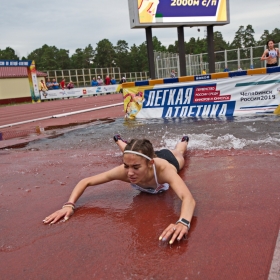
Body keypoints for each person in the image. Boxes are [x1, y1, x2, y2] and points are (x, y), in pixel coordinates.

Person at [43, 135, 196, 245]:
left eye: (135, 168)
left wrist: (183, 222)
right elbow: (86, 181)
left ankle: (183, 140)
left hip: (169, 159)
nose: (129, 173)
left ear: (150, 163)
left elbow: (188, 198)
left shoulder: (165, 170)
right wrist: (69, 204)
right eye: (126, 166)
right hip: (139, 156)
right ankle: (120, 141)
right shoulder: (124, 171)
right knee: (129, 154)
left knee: (179, 153)